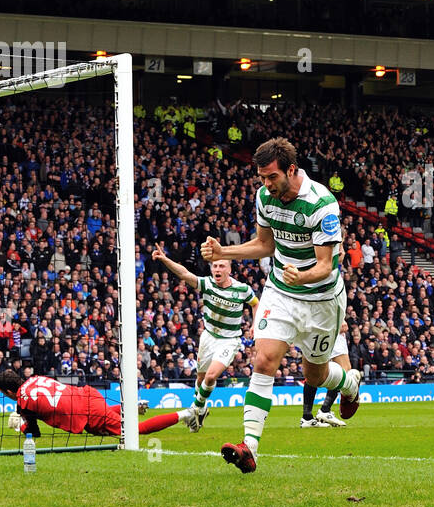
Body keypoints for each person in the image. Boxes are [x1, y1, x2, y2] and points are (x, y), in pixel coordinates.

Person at [202, 137, 361, 473]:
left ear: (291, 169)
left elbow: (327, 265)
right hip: (281, 291)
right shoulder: (264, 197)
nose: (265, 184)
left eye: (271, 177)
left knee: (313, 374)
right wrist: (223, 253)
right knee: (264, 359)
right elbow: (263, 244)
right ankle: (249, 447)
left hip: (321, 299)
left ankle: (349, 383)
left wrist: (301, 276)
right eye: (261, 178)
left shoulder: (321, 204)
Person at [151, 243, 259, 432]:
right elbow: (184, 274)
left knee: (211, 375)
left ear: (229, 269)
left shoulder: (242, 289)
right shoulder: (207, 284)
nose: (217, 269)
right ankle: (201, 412)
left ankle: (196, 408)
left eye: (221, 266)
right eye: (215, 266)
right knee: (201, 379)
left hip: (230, 340)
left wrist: (255, 327)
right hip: (208, 337)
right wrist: (164, 258)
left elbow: (255, 303)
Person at [0, 369, 190, 437]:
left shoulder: (23, 402)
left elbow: (34, 433)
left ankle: (188, 413)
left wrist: (20, 426)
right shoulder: (35, 378)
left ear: (8, 392)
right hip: (88, 395)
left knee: (136, 431)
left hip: (88, 415)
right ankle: (130, 407)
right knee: (105, 413)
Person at [300, 321, 359, 428]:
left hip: (313, 325)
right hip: (329, 323)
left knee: (313, 371)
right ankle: (325, 410)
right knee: (343, 370)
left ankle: (307, 417)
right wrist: (340, 320)